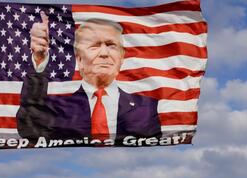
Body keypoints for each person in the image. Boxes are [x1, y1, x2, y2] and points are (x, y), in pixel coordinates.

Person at [17, 13, 161, 142]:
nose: (104, 53)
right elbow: (30, 128)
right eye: (94, 46)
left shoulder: (146, 108)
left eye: (111, 45)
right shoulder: (60, 109)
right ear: (79, 59)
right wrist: (39, 63)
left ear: (122, 57)